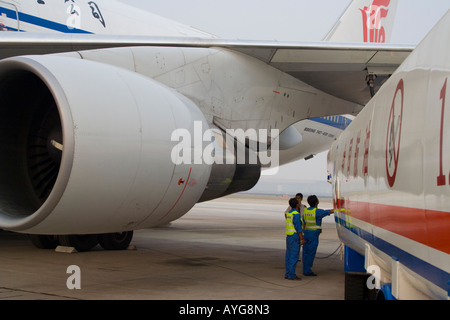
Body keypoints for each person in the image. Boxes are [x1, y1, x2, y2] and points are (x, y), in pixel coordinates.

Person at [302, 195, 334, 276]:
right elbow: (329, 211)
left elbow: (303, 223)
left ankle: (305, 268)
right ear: (317, 202)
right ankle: (307, 270)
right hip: (313, 235)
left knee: (305, 252)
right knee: (311, 253)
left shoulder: (305, 211)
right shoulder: (317, 212)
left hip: (306, 233)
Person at [284, 197, 303, 280]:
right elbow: (298, 228)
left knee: (288, 255)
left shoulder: (289, 214)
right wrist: (302, 238)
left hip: (289, 236)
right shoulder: (296, 214)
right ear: (297, 205)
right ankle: (291, 274)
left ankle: (287, 273)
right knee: (294, 256)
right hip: (295, 237)